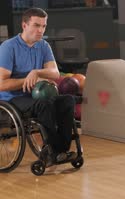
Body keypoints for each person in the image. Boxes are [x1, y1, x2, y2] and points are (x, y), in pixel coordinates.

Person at [0, 7, 76, 164]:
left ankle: (62, 150)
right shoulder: (8, 47)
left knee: (67, 100)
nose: (40, 30)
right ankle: (53, 151)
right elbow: (2, 84)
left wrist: (36, 72)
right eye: (36, 25)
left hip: (36, 95)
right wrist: (29, 80)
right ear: (24, 25)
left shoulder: (43, 46)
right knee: (44, 104)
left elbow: (55, 72)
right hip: (13, 99)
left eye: (43, 26)